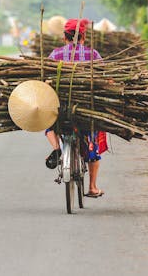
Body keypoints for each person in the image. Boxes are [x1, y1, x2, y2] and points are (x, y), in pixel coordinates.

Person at [44, 17, 107, 198]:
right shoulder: (93, 55)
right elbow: (105, 78)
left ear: (64, 37)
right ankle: (93, 187)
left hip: (60, 108)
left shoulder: (55, 55)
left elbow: (45, 80)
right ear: (83, 38)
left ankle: (57, 148)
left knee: (49, 124)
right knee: (92, 140)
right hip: (86, 109)